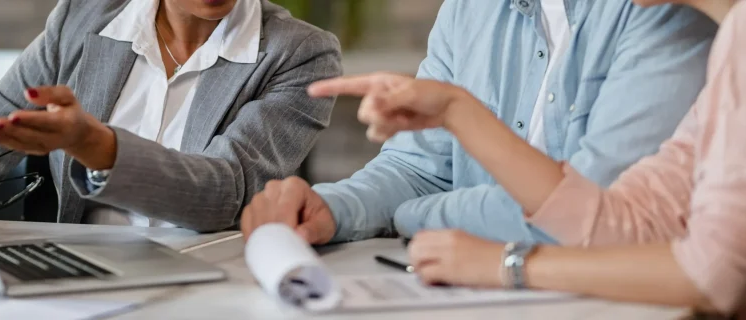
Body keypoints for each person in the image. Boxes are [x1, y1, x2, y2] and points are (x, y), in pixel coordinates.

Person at [302, 0, 746, 315]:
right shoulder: (734, 41)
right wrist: (334, 207)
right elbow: (625, 217)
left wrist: (505, 263)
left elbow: (712, 273)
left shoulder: (684, 22)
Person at [240, 0, 717, 245]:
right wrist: (333, 207)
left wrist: (413, 218)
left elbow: (596, 213)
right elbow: (419, 169)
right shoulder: (469, 9)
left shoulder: (663, 9)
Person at [0, 0, 342, 244]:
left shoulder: (301, 54)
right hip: (80, 275)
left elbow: (225, 194)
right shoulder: (81, 20)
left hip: (210, 283)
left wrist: (99, 147)